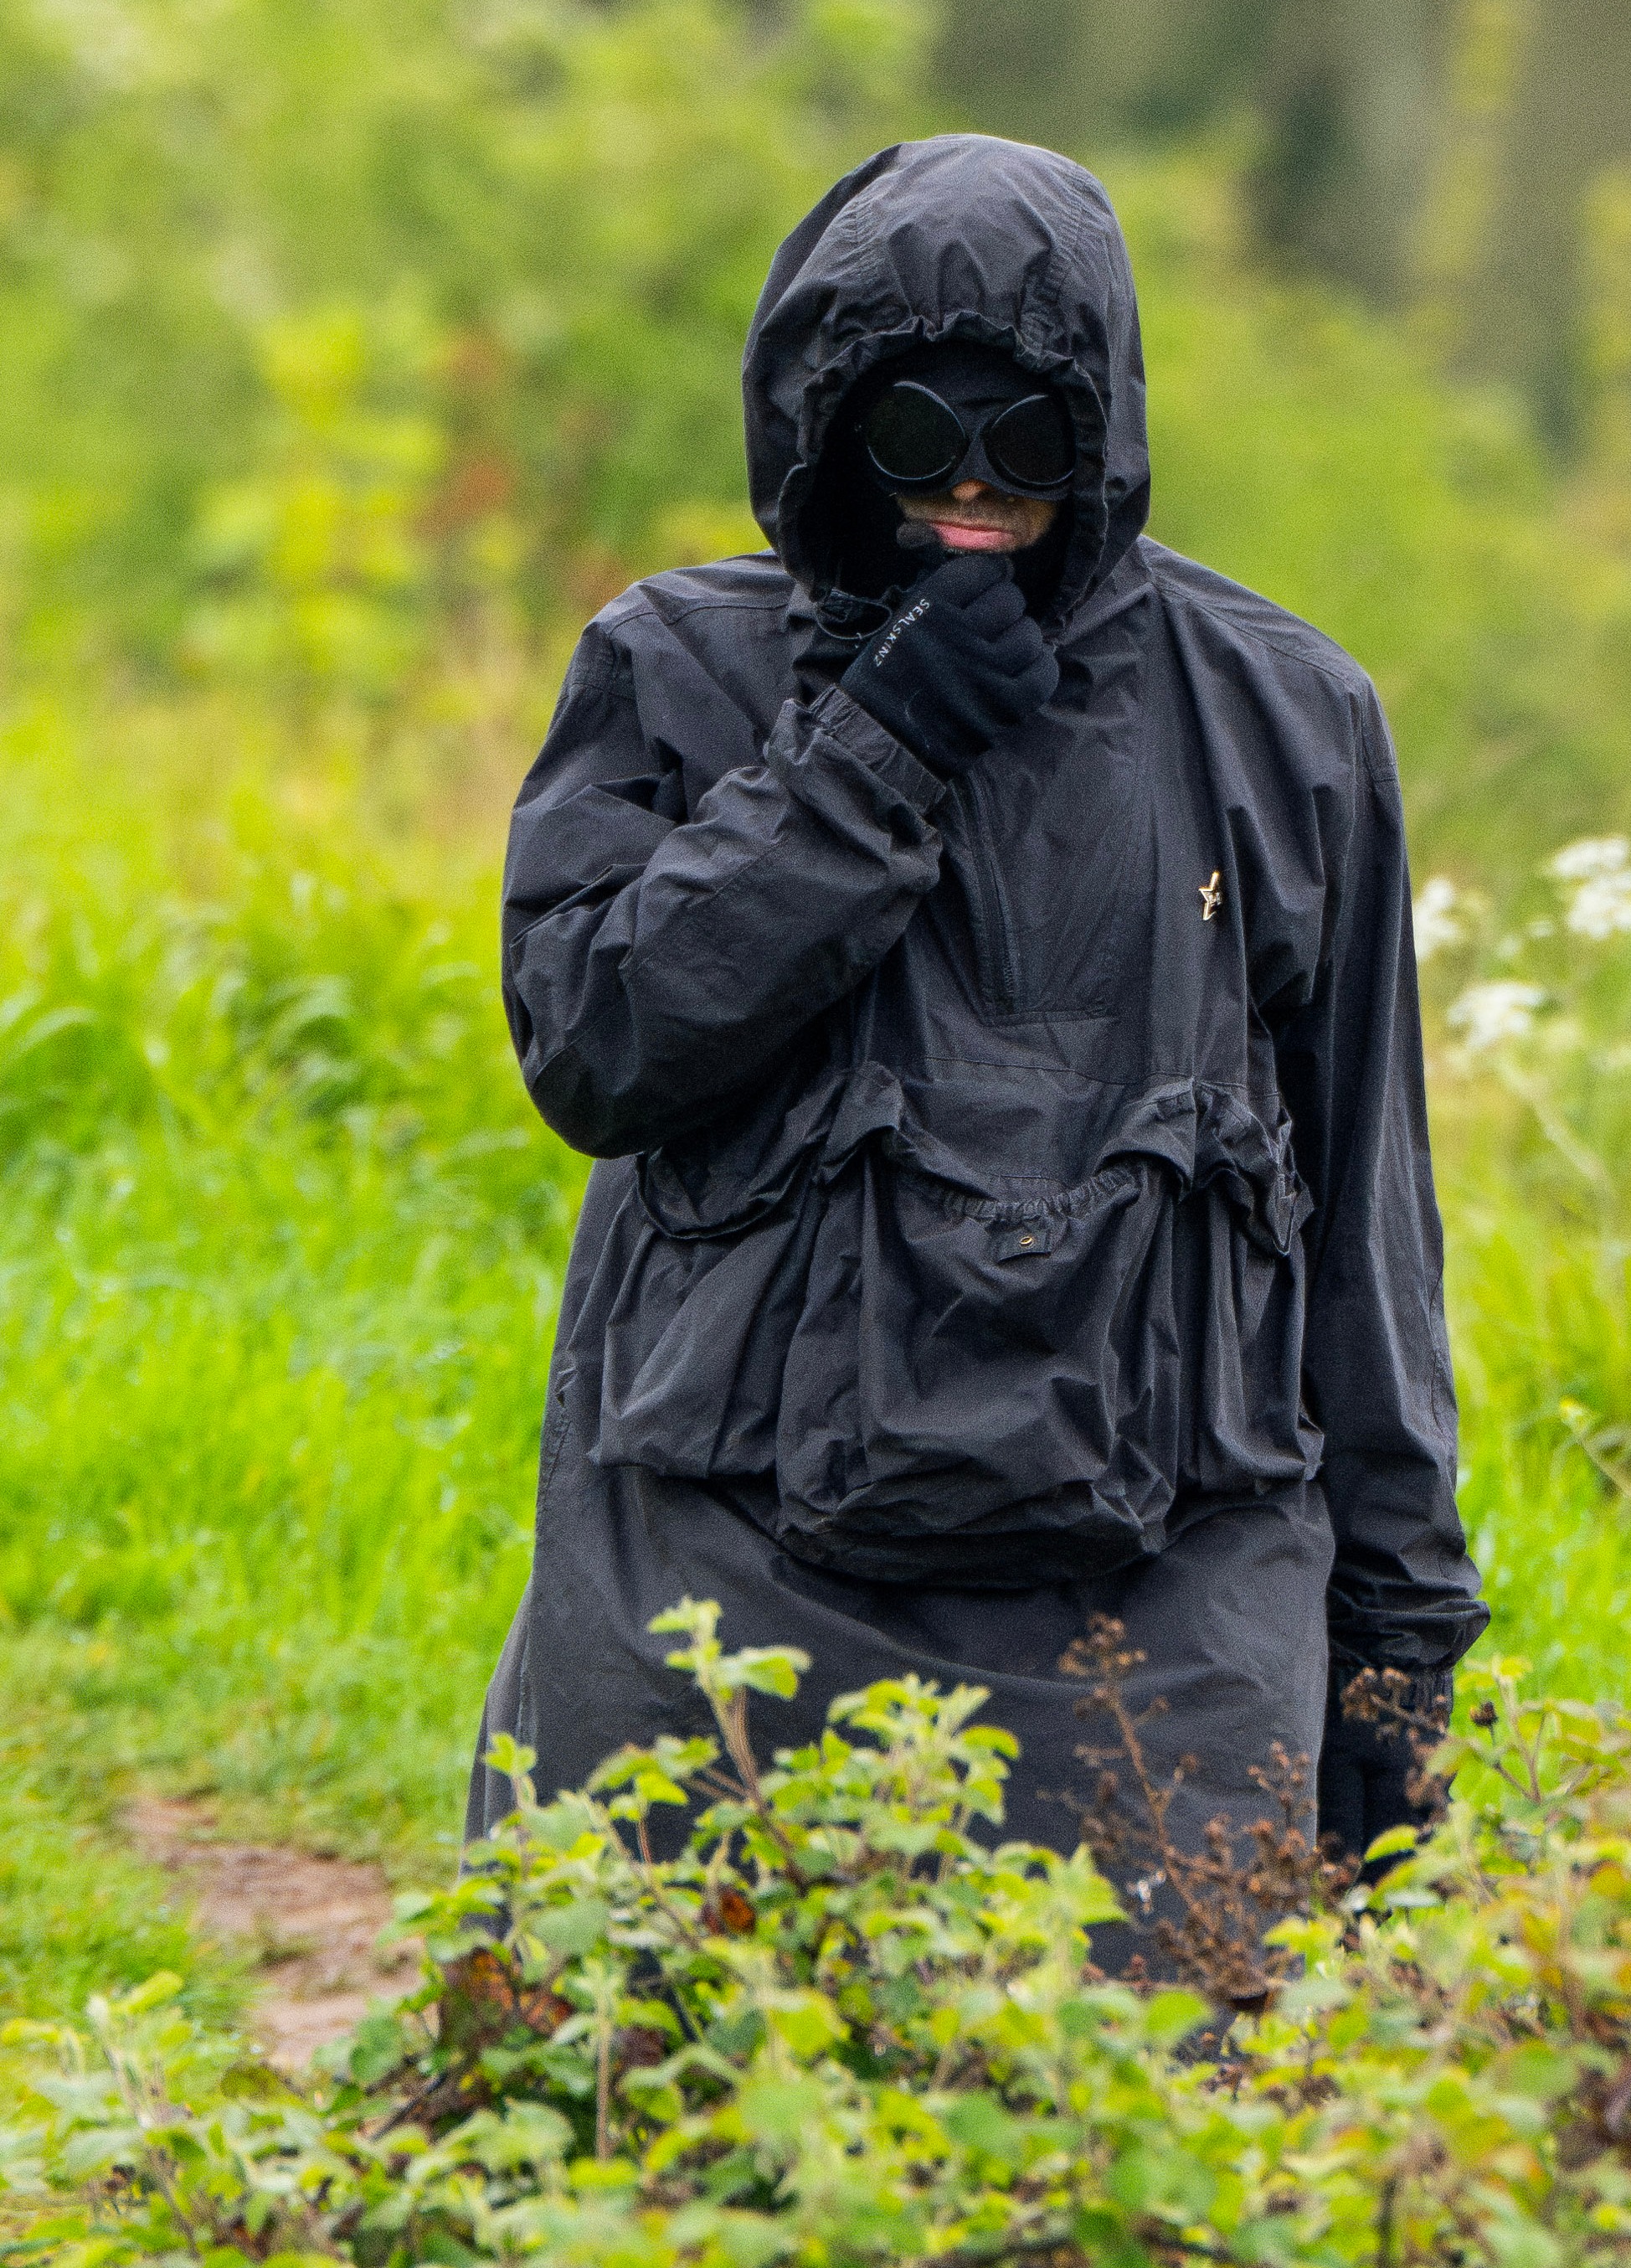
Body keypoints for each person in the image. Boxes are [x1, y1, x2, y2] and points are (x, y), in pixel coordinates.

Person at [466, 133, 1488, 1884]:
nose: (969, 497)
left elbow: (1366, 1227)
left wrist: (1396, 1656)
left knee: (1157, 2136)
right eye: (913, 439)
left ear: (1100, 446)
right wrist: (872, 748)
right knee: (648, 2111)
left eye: (1024, 443)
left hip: (1155, 1626)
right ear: (823, 431)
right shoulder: (676, 674)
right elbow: (597, 1043)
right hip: (722, 1590)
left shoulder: (1287, 724)